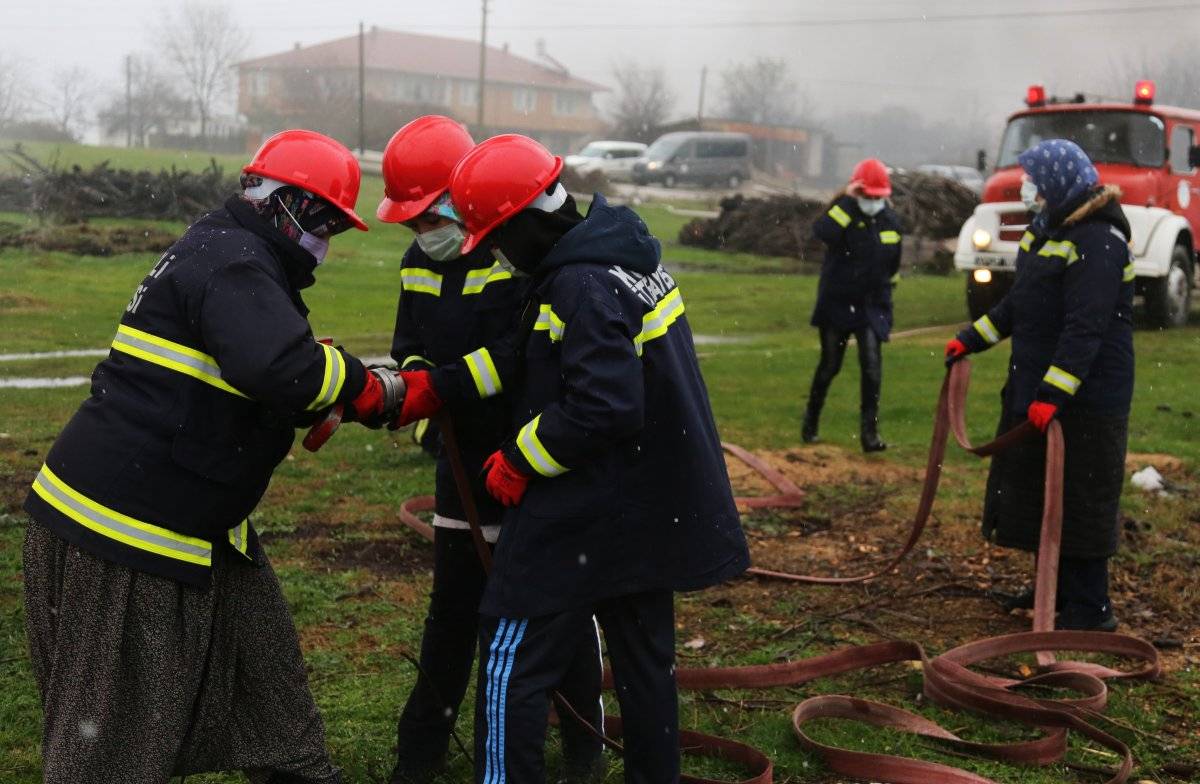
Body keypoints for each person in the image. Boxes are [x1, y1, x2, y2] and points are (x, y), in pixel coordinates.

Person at [21, 130, 406, 784]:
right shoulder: (235, 260)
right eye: (325, 223)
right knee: (105, 754)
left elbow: (251, 371)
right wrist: (364, 385)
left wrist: (309, 385)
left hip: (203, 522)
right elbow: (282, 367)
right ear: (288, 207)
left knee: (276, 708)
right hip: (126, 533)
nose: (325, 242)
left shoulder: (227, 250)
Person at [428, 134, 750, 784]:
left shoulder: (580, 284)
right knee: (645, 669)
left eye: (495, 237)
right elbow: (527, 354)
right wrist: (435, 387)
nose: (496, 254)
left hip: (589, 509)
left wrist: (520, 456)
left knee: (509, 658)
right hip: (650, 510)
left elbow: (604, 406)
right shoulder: (616, 257)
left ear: (526, 222)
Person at [377, 116, 603, 784]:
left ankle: (584, 748)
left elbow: (513, 358)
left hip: (526, 463)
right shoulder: (419, 263)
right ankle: (419, 755)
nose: (424, 235)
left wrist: (434, 389)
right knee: (452, 610)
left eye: (431, 217)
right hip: (460, 468)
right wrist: (422, 402)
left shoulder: (514, 259)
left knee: (554, 616)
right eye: (412, 224)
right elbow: (408, 347)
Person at [945, 139, 1135, 632]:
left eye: (1033, 177)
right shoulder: (1045, 228)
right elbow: (1019, 305)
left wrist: (1054, 395)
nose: (1026, 186)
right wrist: (971, 339)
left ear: (1056, 181)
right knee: (1038, 496)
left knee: (1080, 498)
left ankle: (1090, 608)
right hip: (1036, 389)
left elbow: (1085, 328)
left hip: (1087, 403)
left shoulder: (1098, 239)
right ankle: (1048, 588)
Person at [802, 157, 903, 452]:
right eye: (867, 196)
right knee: (830, 365)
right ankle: (810, 424)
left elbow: (892, 264)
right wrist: (847, 202)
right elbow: (822, 233)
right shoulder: (843, 214)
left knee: (872, 370)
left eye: (876, 197)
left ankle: (870, 435)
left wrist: (885, 301)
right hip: (838, 305)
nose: (872, 202)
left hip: (871, 307)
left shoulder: (890, 222)